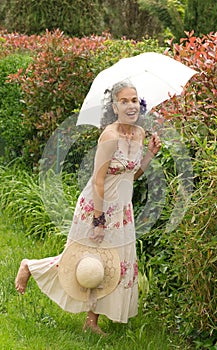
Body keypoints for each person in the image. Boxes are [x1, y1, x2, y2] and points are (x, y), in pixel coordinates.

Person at [15, 80, 161, 335]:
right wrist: (98, 220)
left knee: (110, 266)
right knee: (83, 261)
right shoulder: (110, 135)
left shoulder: (138, 135)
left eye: (134, 100)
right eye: (124, 101)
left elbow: (132, 175)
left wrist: (149, 154)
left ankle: (91, 322)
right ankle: (30, 266)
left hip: (123, 212)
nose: (130, 105)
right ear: (115, 107)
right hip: (98, 207)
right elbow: (99, 179)